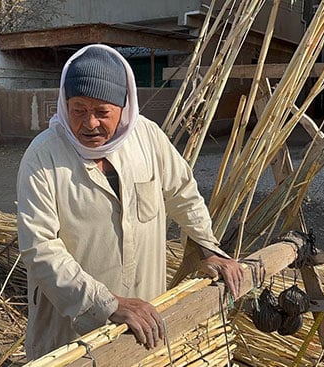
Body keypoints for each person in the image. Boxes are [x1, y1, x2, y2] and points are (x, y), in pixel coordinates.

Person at [16, 44, 244, 360]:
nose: (89, 123)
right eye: (78, 109)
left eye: (102, 112)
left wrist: (209, 247)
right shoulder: (42, 158)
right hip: (72, 333)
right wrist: (109, 304)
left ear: (125, 106)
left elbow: (182, 192)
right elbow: (39, 249)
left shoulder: (148, 138)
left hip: (144, 319)